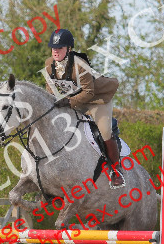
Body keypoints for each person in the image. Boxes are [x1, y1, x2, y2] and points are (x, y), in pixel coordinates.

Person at [42, 28, 125, 188]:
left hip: (97, 99)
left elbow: (89, 92)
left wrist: (68, 102)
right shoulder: (49, 64)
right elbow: (50, 89)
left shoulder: (80, 65)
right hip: (75, 100)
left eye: (60, 48)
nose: (56, 51)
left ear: (69, 49)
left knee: (104, 131)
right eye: (53, 48)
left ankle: (116, 170)